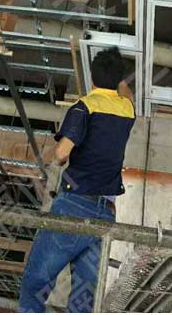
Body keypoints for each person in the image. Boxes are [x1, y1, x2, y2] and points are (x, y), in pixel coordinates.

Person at [18, 47, 135, 313]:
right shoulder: (127, 109)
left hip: (75, 205)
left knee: (35, 283)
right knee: (83, 299)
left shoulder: (84, 107)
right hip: (106, 214)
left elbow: (61, 154)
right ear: (118, 80)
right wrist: (118, 79)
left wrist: (58, 157)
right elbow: (127, 93)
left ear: (91, 77)